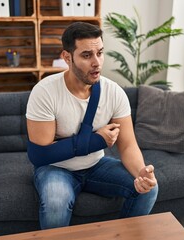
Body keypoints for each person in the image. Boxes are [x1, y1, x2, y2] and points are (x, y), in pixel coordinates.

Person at [26, 22, 158, 230]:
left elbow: (127, 145)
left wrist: (142, 174)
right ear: (67, 57)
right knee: (55, 202)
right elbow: (40, 155)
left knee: (149, 189)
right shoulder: (45, 92)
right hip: (57, 169)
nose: (97, 62)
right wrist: (96, 140)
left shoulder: (114, 92)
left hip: (97, 166)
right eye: (87, 55)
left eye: (100, 53)